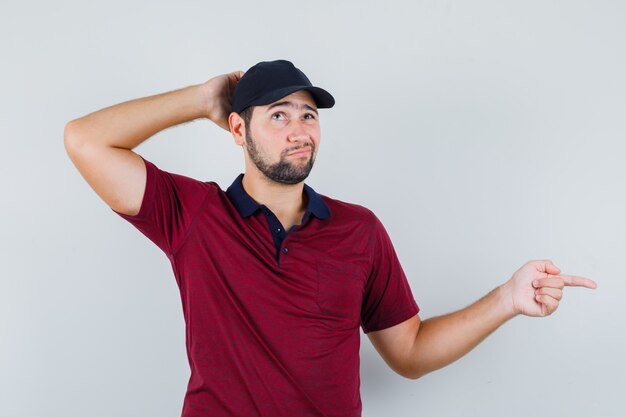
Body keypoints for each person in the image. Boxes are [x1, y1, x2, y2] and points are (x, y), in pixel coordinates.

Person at [64, 59, 597, 417]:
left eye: (308, 115)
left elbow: (408, 353)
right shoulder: (195, 215)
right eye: (277, 116)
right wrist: (201, 97)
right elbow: (85, 141)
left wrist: (506, 298)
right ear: (237, 130)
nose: (299, 131)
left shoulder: (358, 230)